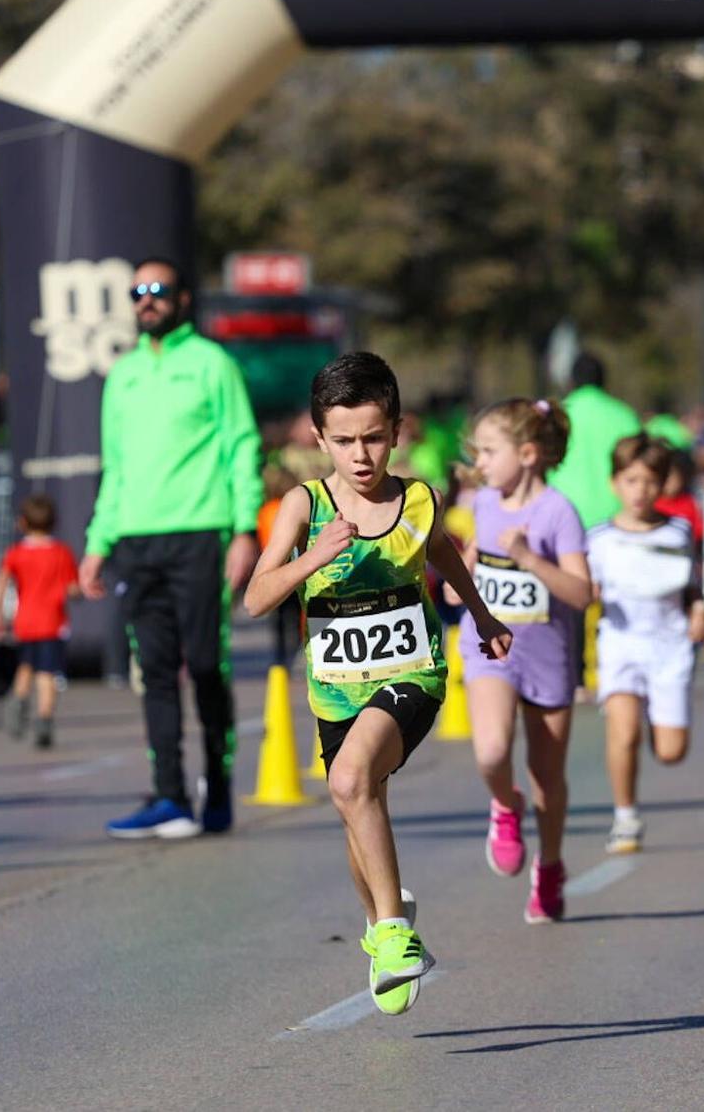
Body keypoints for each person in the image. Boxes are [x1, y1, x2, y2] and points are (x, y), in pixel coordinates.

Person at [244, 352, 511, 1016]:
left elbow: (440, 550)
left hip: (411, 673)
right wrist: (315, 554)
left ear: (396, 430)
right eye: (343, 440)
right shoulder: (303, 506)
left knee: (348, 780)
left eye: (372, 437)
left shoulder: (419, 498)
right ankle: (380, 922)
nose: (360, 455)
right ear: (318, 437)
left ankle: (394, 933)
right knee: (356, 802)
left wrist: (480, 615)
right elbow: (255, 598)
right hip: (336, 687)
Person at [80, 258, 262, 841]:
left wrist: (243, 530)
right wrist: (96, 544)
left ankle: (217, 788)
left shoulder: (213, 365)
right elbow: (116, 467)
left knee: (207, 664)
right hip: (135, 540)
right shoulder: (123, 375)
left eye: (158, 289)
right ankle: (169, 796)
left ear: (183, 299)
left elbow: (241, 446)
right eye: (138, 291)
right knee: (154, 671)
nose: (147, 300)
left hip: (200, 534)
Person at [461, 397, 592, 923]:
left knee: (547, 777)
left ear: (529, 453)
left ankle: (552, 865)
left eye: (490, 451)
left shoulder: (558, 512)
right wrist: (461, 573)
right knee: (492, 751)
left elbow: (582, 594)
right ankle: (504, 805)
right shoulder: (482, 502)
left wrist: (529, 559)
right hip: (490, 648)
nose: (481, 462)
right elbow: (469, 571)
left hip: (548, 656)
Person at [588, 435, 703, 855]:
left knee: (671, 752)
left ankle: (660, 715)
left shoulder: (679, 531)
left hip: (669, 647)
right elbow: (587, 592)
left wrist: (700, 610)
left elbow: (692, 584)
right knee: (623, 732)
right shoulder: (597, 538)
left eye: (650, 481)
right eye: (631, 480)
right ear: (615, 482)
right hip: (620, 643)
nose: (641, 490)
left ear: (664, 484)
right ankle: (625, 816)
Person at [0, 495, 79, 749]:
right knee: (47, 674)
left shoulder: (16, 554)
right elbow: (73, 588)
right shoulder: (61, 553)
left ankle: (17, 706)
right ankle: (44, 720)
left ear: (22, 523)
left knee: (26, 667)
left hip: (25, 621)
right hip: (53, 621)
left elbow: (1, 584)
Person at [551, 353, 643, 530]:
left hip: (563, 514)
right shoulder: (624, 415)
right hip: (615, 516)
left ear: (571, 381)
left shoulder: (557, 416)